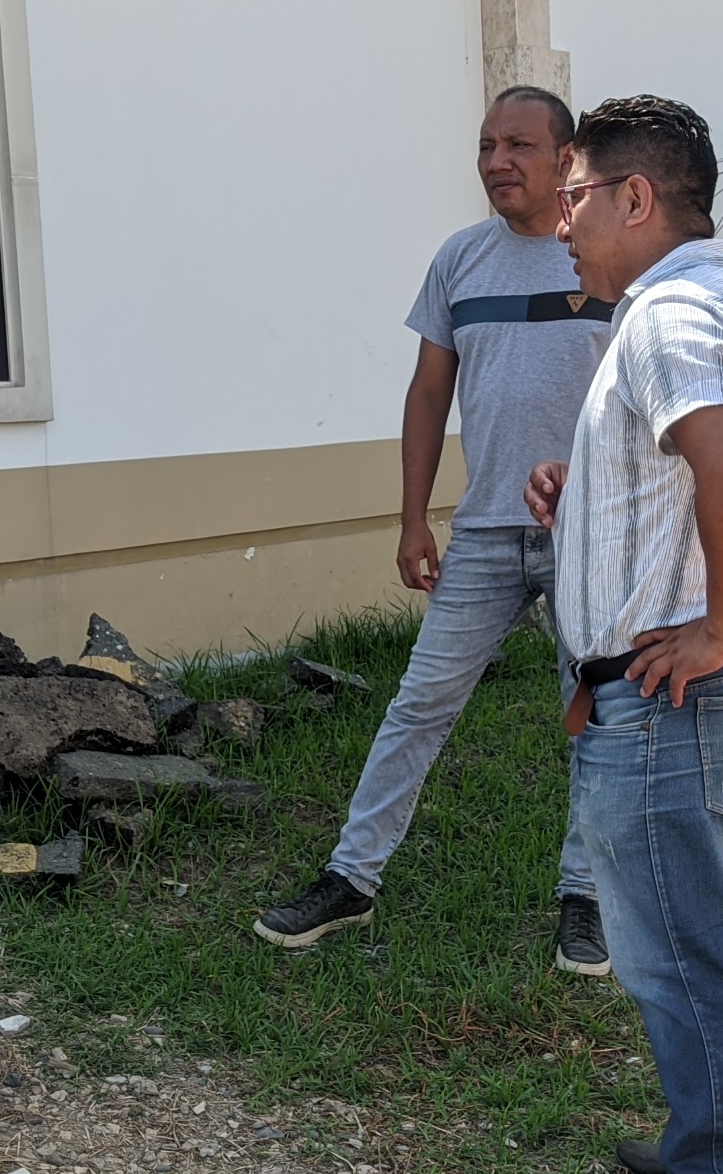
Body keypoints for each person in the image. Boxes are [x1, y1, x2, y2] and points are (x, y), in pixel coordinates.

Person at [252, 87, 618, 976]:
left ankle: (588, 896)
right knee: (420, 703)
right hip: (487, 529)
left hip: (589, 531)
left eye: (519, 145)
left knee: (595, 712)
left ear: (566, 159)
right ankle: (352, 879)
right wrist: (413, 516)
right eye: (487, 145)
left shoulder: (605, 258)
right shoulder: (460, 260)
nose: (497, 161)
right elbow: (428, 392)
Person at [526, 96, 723, 1174]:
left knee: (677, 950)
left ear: (635, 198)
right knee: (707, 931)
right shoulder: (689, 308)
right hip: (668, 691)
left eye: (574, 197)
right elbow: (691, 477)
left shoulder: (671, 314)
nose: (561, 225)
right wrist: (584, 489)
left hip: (672, 698)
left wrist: (720, 630)